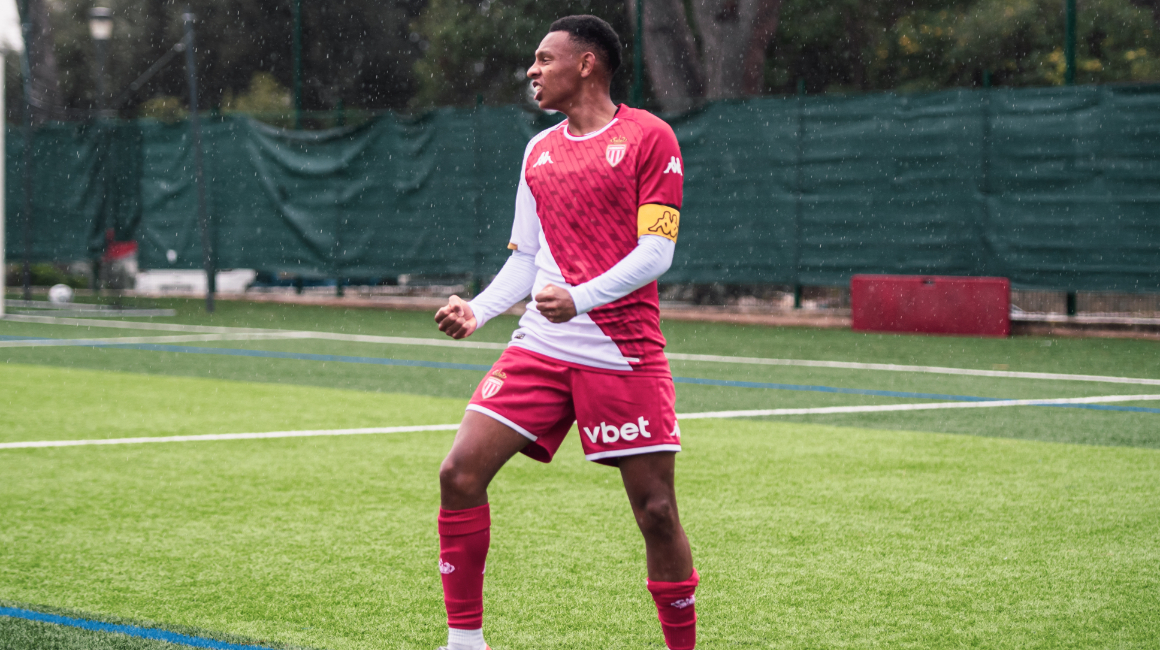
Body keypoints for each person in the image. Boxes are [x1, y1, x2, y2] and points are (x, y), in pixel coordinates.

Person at [433, 15, 697, 650]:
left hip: (624, 351)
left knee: (657, 512)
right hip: (541, 345)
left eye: (544, 58)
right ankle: (465, 643)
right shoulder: (537, 152)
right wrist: (479, 310)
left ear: (586, 64)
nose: (533, 70)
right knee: (458, 474)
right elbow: (527, 258)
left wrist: (580, 298)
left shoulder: (650, 136)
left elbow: (656, 252)